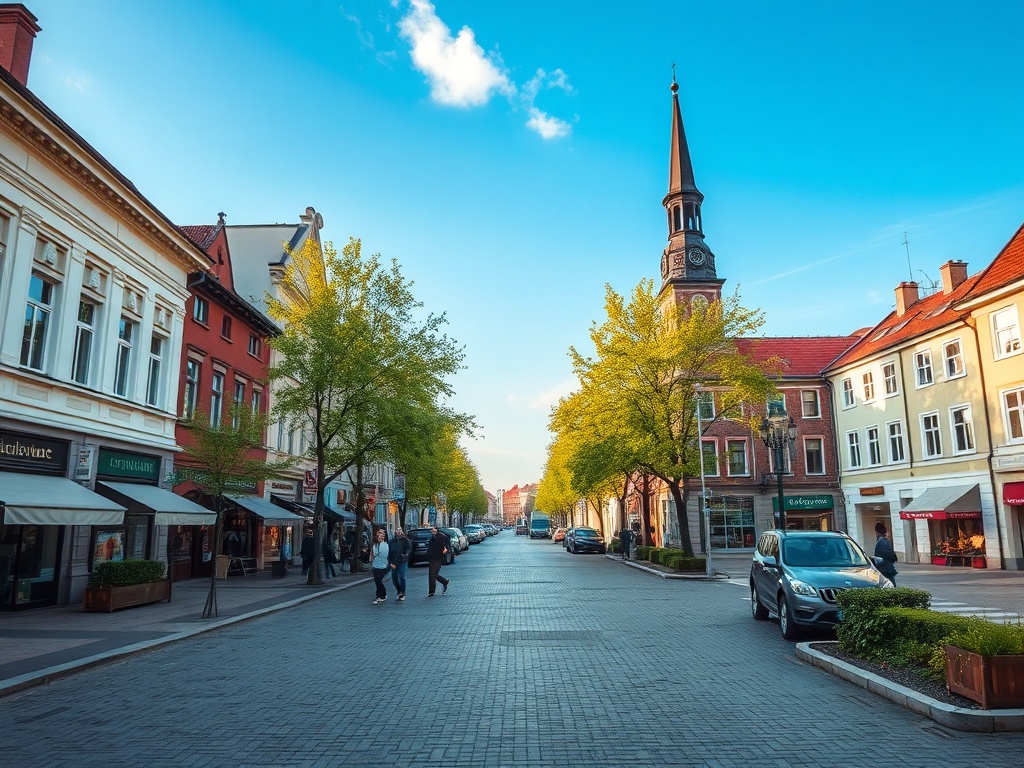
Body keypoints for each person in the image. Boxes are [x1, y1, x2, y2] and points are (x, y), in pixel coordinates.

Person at [388, 527, 413, 601]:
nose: (398, 532)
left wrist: (405, 554)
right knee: (394, 578)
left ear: (402, 531)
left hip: (403, 561)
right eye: (397, 530)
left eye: (400, 530)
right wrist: (390, 562)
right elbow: (389, 552)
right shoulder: (392, 541)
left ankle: (402, 593)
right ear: (395, 532)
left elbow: (409, 548)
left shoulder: (405, 540)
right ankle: (398, 590)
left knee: (402, 576)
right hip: (394, 561)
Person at [426, 525, 451, 597]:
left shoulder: (442, 537)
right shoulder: (432, 538)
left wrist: (446, 550)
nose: (432, 532)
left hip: (438, 557)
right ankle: (431, 591)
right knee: (431, 575)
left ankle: (444, 582)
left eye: (433, 531)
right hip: (432, 558)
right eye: (432, 531)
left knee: (434, 574)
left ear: (437, 530)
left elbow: (448, 544)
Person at [370, 529, 390, 604]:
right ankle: (380, 596)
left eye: (382, 534)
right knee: (377, 581)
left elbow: (385, 554)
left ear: (384, 536)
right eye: (379, 534)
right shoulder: (375, 544)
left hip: (383, 565)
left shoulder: (386, 545)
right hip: (376, 564)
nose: (380, 535)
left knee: (379, 581)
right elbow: (374, 554)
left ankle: (381, 595)